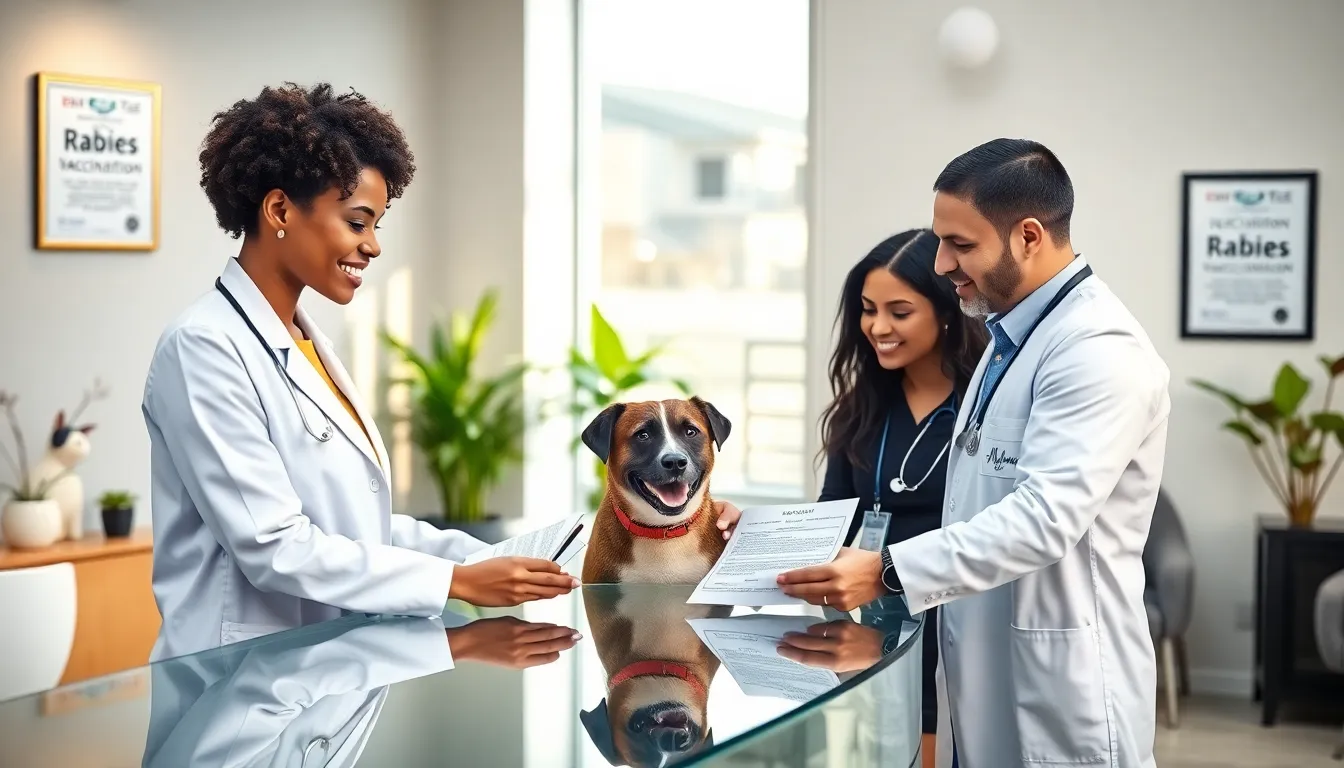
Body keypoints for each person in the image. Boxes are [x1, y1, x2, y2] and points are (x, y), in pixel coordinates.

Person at [717, 138, 1170, 768]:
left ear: (1029, 236)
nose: (942, 261)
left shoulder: (1096, 348)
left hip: (1063, 690)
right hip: (976, 673)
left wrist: (886, 571)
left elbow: (1044, 519)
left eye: (961, 244)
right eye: (940, 240)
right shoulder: (1010, 340)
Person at [141, 83, 577, 661]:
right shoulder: (203, 347)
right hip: (233, 686)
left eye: (377, 225)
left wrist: (473, 559)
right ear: (279, 211)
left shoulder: (304, 343)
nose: (371, 246)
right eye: (356, 221)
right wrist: (457, 583)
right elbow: (276, 547)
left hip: (320, 671)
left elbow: (355, 525)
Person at [717, 228, 989, 765]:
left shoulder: (984, 405)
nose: (878, 328)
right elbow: (830, 526)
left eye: (899, 311)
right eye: (867, 310)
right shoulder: (858, 411)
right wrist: (751, 528)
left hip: (956, 627)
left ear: (945, 311)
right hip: (875, 634)